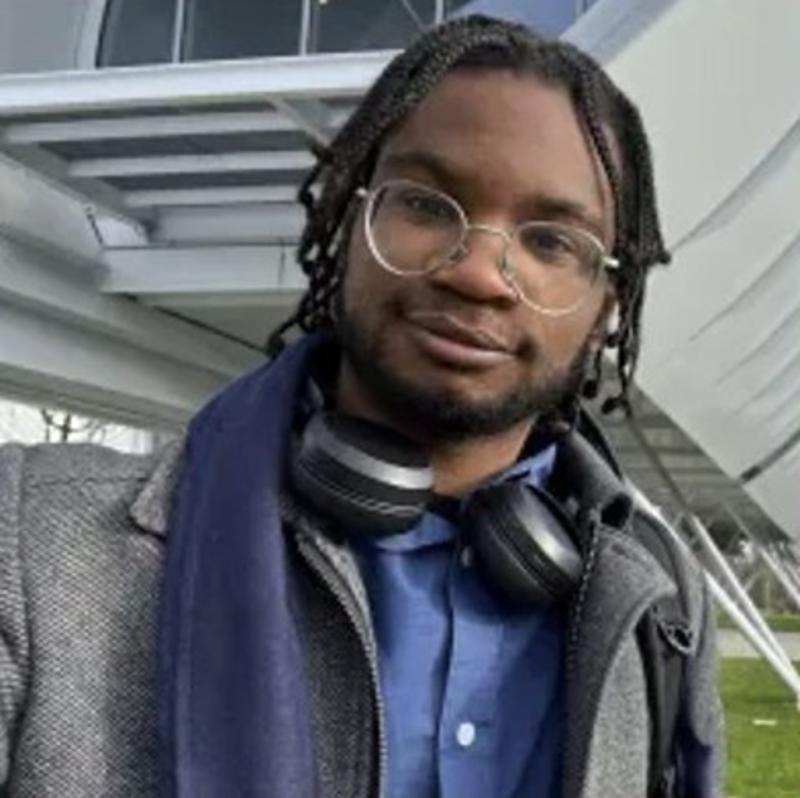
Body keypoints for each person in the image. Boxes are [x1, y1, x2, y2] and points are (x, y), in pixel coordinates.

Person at [0, 15, 724, 798]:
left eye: (552, 243)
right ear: (348, 216)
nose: (479, 272)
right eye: (426, 204)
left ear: (608, 303)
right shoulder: (34, 538)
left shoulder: (659, 595)